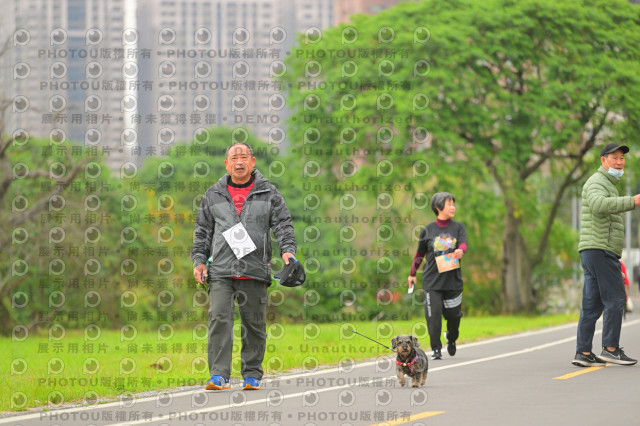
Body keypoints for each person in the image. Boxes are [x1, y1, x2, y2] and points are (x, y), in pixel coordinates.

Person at [192, 142, 297, 390]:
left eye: (244, 157)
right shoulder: (213, 194)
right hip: (221, 270)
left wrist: (288, 251)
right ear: (226, 164)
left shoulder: (269, 192)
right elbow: (203, 231)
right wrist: (199, 261)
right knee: (219, 319)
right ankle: (219, 375)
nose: (239, 162)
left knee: (254, 325)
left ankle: (252, 374)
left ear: (253, 161)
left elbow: (283, 224)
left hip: (254, 268)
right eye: (234, 158)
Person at [572, 143, 640, 367]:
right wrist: (633, 201)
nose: (619, 162)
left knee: (592, 305)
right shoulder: (597, 181)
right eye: (614, 158)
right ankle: (610, 349)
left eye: (622, 158)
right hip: (600, 250)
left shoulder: (608, 184)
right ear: (603, 160)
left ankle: (583, 352)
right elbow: (599, 205)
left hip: (595, 250)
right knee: (617, 298)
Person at [408, 192, 467, 360]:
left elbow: (463, 243)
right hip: (432, 281)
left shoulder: (458, 227)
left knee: (454, 316)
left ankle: (451, 337)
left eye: (453, 204)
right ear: (438, 207)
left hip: (452, 281)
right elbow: (419, 254)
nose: (453, 207)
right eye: (449, 204)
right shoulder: (428, 230)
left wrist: (461, 250)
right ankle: (436, 349)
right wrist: (412, 274)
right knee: (433, 317)